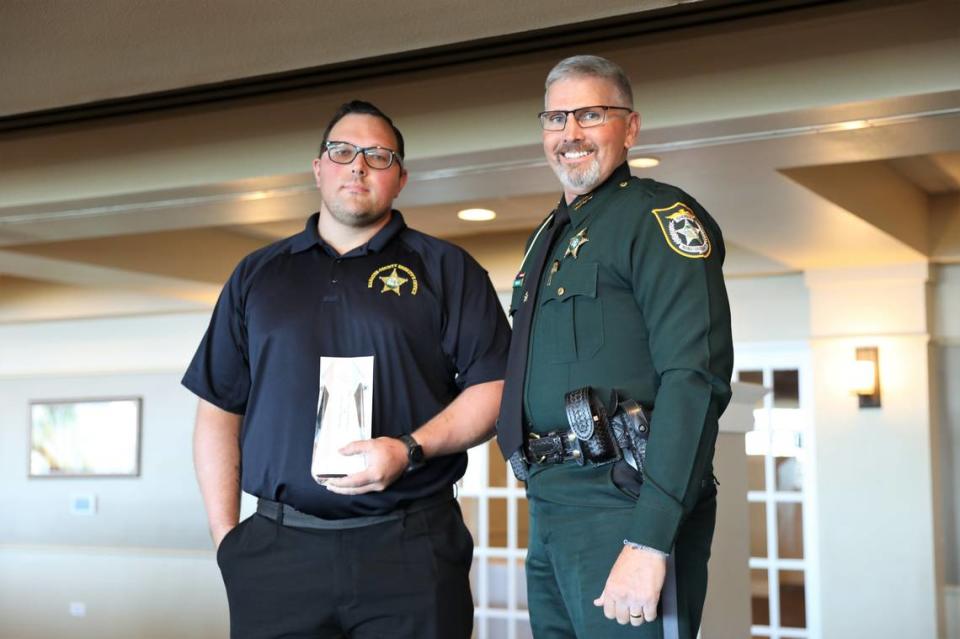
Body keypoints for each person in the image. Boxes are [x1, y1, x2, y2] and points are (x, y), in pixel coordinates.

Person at [184, 100, 510, 639]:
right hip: (277, 552)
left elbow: (494, 387)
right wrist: (228, 540)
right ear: (318, 168)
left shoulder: (447, 269)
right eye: (342, 151)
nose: (358, 165)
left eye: (378, 156)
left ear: (401, 178)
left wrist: (409, 448)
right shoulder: (257, 275)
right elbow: (218, 409)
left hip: (410, 547)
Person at [496, 55, 733, 638]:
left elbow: (694, 378)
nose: (569, 133)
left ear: (629, 127)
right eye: (555, 118)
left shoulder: (656, 215)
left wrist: (649, 536)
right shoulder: (547, 238)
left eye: (590, 114)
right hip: (550, 503)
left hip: (623, 501)